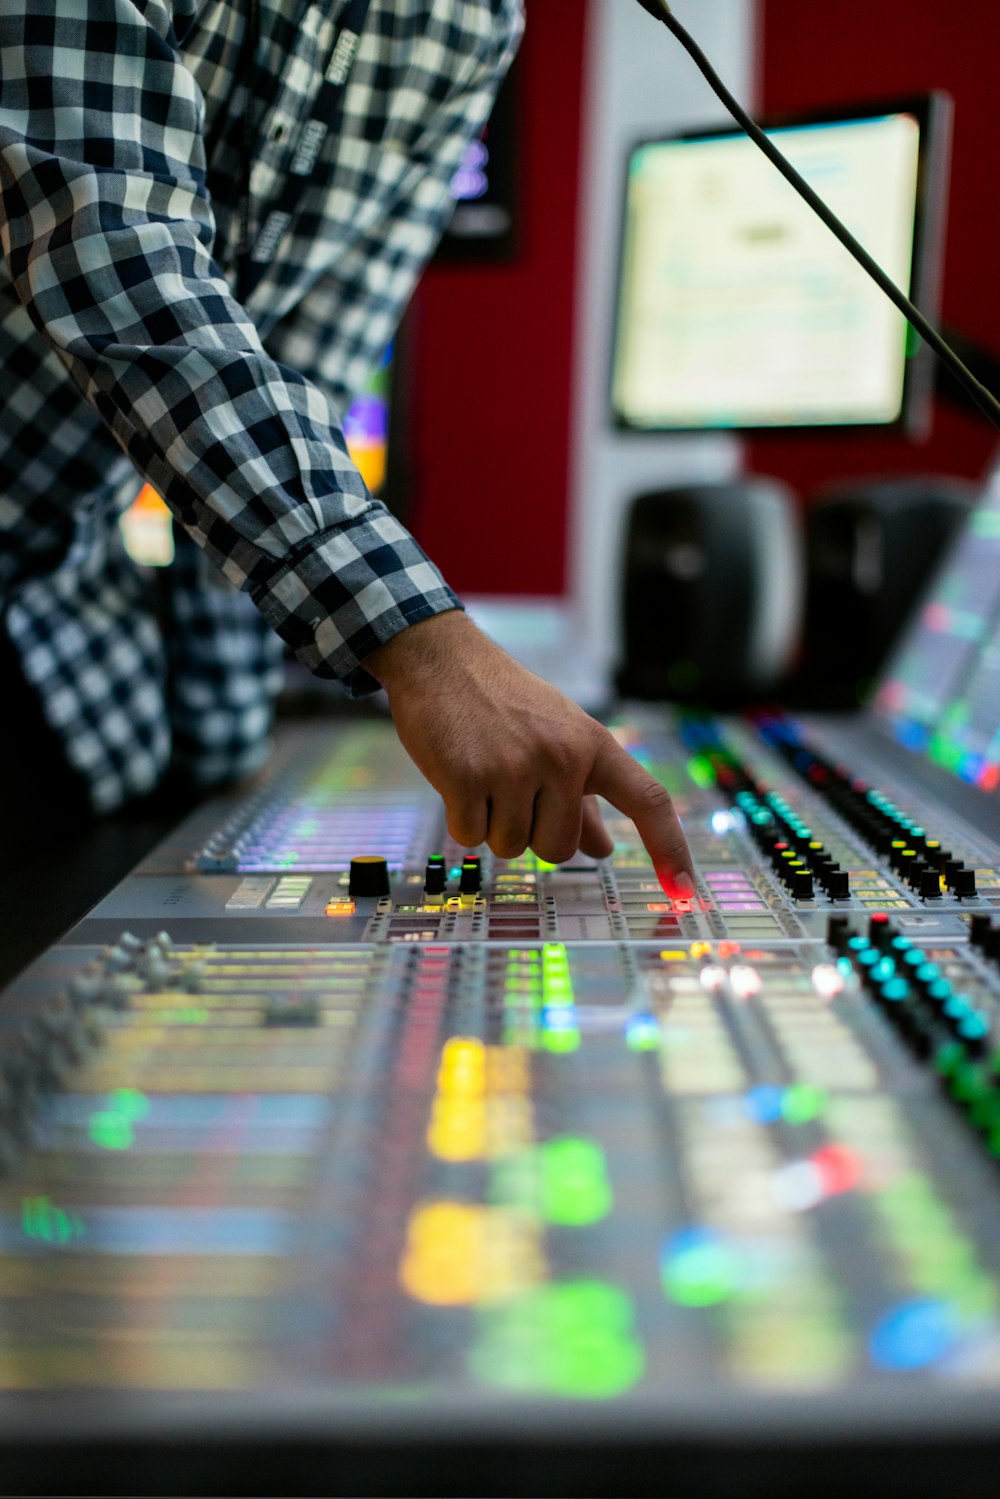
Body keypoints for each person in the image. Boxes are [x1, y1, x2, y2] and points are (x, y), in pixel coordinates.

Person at [0, 0, 694, 895]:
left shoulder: (474, 25)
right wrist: (424, 642)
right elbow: (115, 259)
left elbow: (306, 370)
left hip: (61, 629)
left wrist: (223, 759)